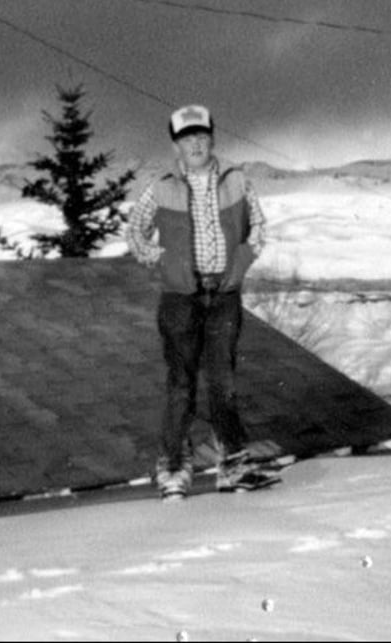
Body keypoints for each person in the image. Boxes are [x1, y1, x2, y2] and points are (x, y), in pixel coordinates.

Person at [126, 104, 277, 500]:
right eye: (186, 138)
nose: (195, 144)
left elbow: (258, 228)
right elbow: (135, 233)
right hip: (180, 300)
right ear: (175, 146)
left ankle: (233, 465)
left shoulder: (237, 181)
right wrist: (163, 260)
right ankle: (174, 466)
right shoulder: (160, 188)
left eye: (201, 136)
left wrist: (242, 260)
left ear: (212, 139)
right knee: (181, 384)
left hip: (224, 297)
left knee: (223, 383)